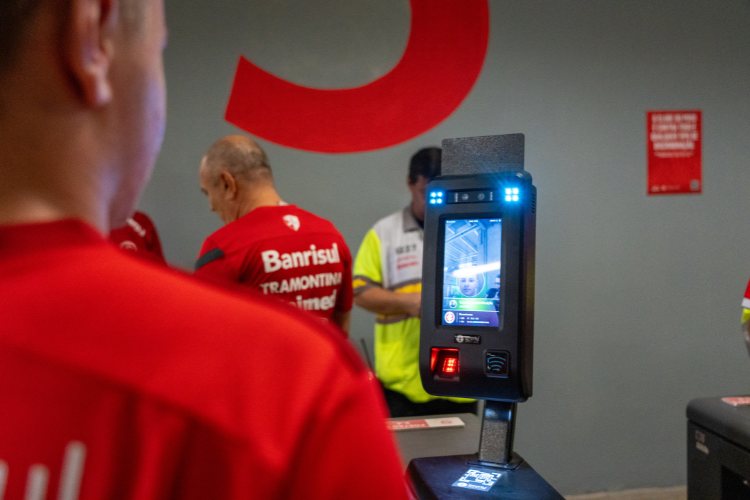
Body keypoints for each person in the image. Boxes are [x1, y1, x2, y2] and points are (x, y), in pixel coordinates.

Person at [0, 1, 407, 499]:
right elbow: (342, 324)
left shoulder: (225, 254)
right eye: (160, 50)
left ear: (226, 183)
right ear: (94, 34)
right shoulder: (305, 393)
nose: (211, 207)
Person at [353, 147, 477, 417]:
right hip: (400, 384)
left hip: (461, 380)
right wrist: (409, 303)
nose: (434, 203)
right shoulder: (384, 233)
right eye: (426, 194)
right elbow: (360, 291)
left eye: (442, 194)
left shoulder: (470, 228)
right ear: (411, 184)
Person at [194, 135, 353, 335]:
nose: (211, 206)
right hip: (318, 365)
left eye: (208, 193)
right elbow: (340, 331)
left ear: (228, 184)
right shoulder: (330, 236)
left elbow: (205, 336)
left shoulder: (223, 248)